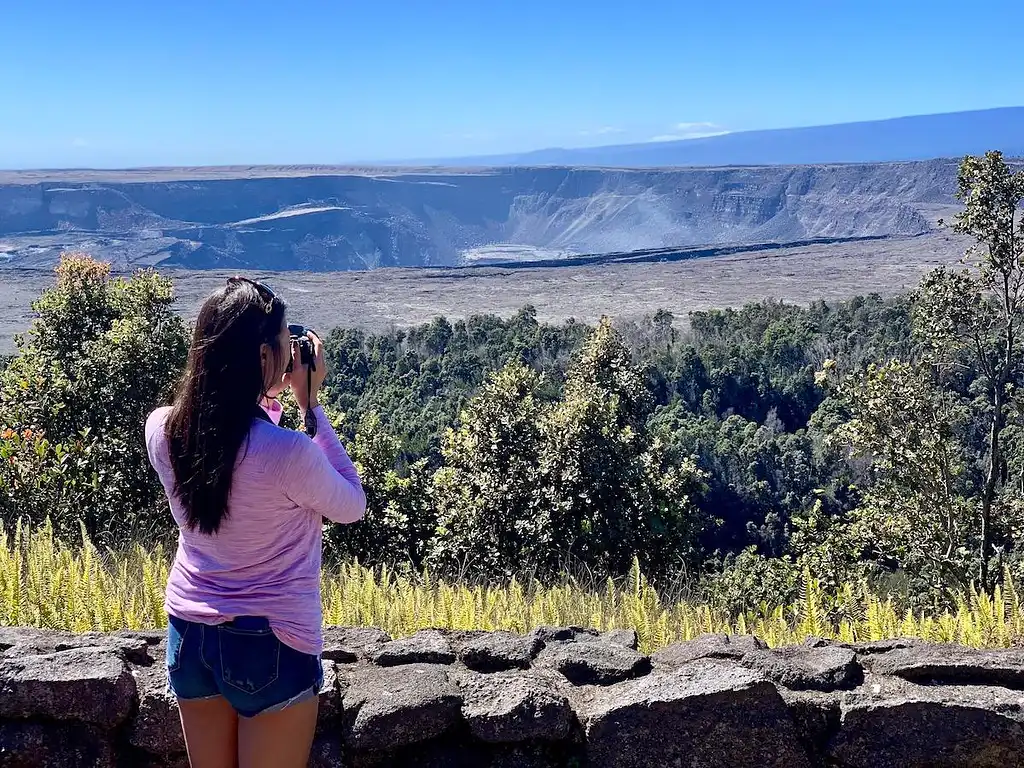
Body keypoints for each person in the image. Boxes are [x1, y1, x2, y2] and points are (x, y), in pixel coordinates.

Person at [144, 277, 366, 768]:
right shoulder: (289, 452)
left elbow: (234, 450)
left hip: (191, 632)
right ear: (265, 355)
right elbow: (352, 503)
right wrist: (311, 408)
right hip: (272, 642)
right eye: (286, 342)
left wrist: (267, 395)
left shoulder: (162, 429)